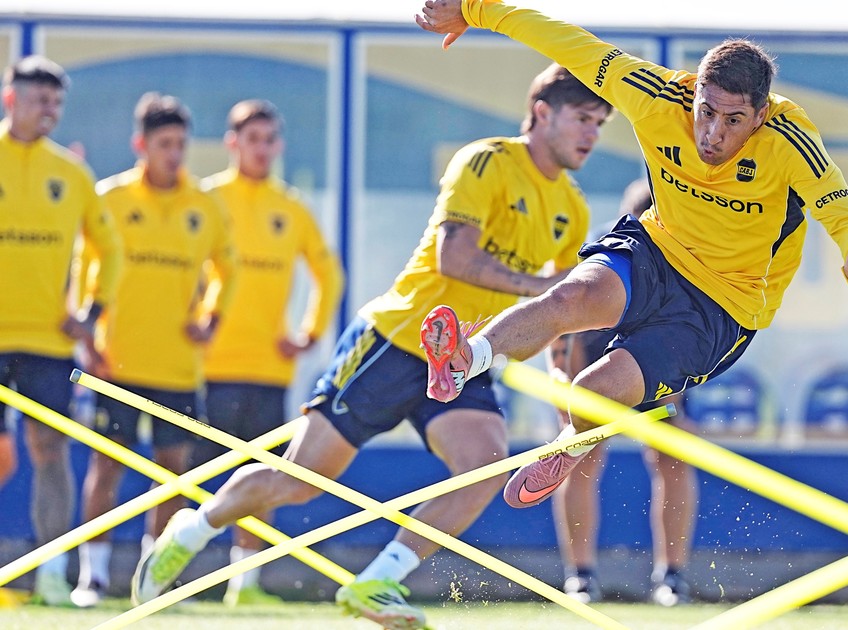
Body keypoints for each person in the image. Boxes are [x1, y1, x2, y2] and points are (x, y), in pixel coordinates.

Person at [132, 63, 611, 629]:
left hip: (462, 359)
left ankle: (378, 581)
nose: (591, 134)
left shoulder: (572, 207)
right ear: (542, 113)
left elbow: (558, 311)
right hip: (395, 341)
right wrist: (538, 287)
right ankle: (193, 528)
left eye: (599, 124)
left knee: (484, 466)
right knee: (299, 482)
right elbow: (454, 258)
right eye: (582, 118)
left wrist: (562, 379)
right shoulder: (485, 162)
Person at [415, 0, 848, 512]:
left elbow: (838, 205)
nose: (713, 134)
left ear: (761, 115)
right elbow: (572, 46)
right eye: (706, 112)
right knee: (570, 297)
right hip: (657, 249)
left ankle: (568, 448)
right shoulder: (658, 95)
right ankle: (466, 359)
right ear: (695, 92)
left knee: (591, 392)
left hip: (725, 304)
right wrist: (476, 9)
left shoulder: (789, 137)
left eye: (734, 120)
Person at [71, 92, 238, 608]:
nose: (174, 154)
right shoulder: (111, 198)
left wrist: (211, 320)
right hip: (116, 361)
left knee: (173, 474)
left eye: (181, 144)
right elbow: (85, 271)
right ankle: (93, 578)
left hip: (178, 367)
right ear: (140, 144)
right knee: (107, 466)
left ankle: (152, 579)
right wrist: (87, 339)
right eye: (164, 144)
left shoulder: (203, 204)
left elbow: (228, 269)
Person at [190, 99, 345, 607]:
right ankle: (171, 571)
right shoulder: (207, 198)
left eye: (270, 139)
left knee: (260, 476)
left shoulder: (291, 207)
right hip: (206, 366)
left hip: (268, 369)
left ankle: (245, 582)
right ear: (232, 143)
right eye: (252, 139)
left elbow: (329, 274)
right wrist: (190, 323)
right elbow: (181, 267)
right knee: (190, 475)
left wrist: (309, 332)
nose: (262, 149)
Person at [0, 55, 122, 606]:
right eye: (38, 99)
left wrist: (91, 314)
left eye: (56, 101)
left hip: (48, 342)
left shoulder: (71, 174)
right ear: (11, 99)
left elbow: (109, 249)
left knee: (50, 450)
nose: (48, 110)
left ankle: (52, 573)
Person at [552, 179, 696, 606]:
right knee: (581, 457)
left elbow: (687, 341)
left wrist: (673, 405)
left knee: (671, 456)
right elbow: (562, 326)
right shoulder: (600, 257)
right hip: (596, 362)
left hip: (656, 365)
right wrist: (563, 385)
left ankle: (671, 578)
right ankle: (580, 577)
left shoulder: (688, 260)